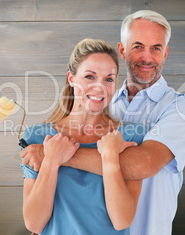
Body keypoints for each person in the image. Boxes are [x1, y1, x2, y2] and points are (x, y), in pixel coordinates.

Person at [20, 10, 185, 235]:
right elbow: (34, 223)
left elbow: (144, 164)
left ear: (165, 53)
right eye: (138, 46)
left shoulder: (176, 108)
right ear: (122, 50)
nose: (147, 57)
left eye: (156, 48)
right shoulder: (44, 133)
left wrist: (53, 156)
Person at [21, 38, 147, 234]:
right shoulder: (38, 137)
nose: (100, 87)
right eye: (90, 76)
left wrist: (111, 155)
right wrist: (51, 160)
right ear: (71, 78)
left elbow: (122, 220)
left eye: (109, 79)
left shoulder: (131, 136)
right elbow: (34, 223)